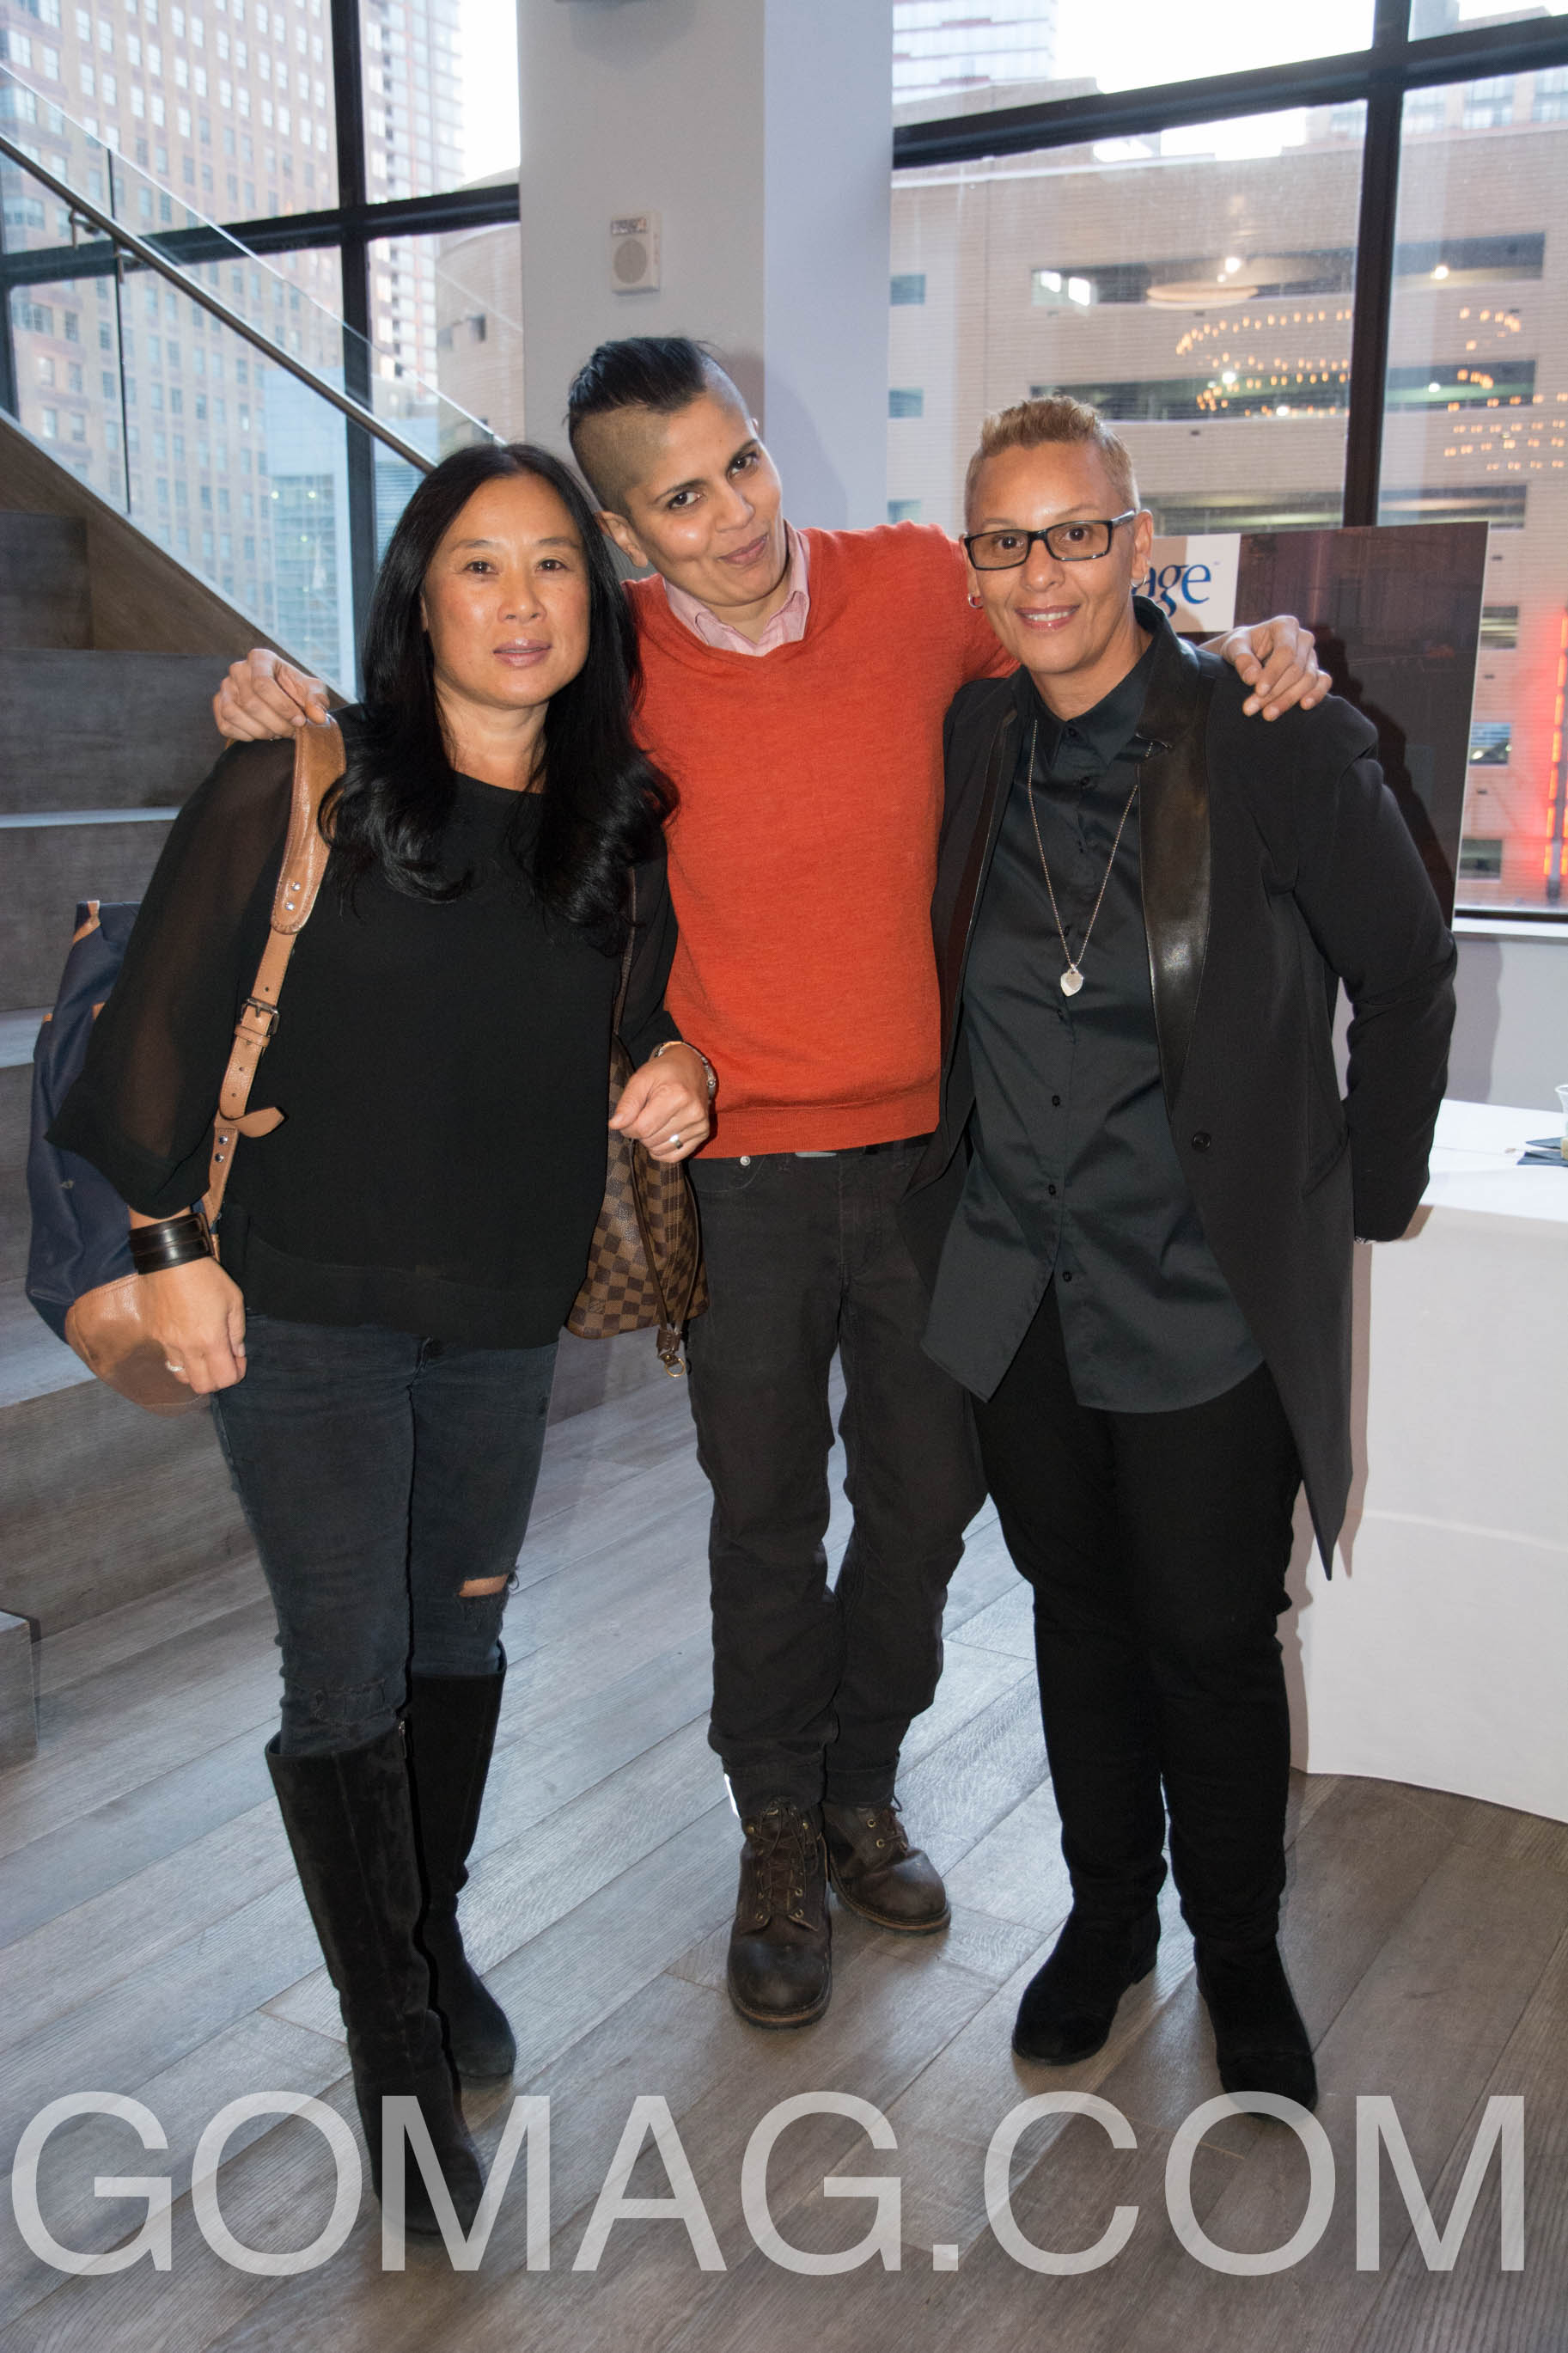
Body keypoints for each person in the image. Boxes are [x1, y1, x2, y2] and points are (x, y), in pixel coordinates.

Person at [210, 338, 1329, 2032]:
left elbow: (1091, 645)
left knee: (929, 1502)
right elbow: (456, 746)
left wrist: (1249, 646)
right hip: (731, 1182)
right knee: (761, 1521)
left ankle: (862, 1776)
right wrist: (278, 698)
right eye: (680, 498)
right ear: (621, 531)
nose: (735, 515)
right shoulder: (607, 662)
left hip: (940, 1169)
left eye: (740, 462)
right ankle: (779, 1831)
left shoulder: (916, 587)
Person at [50, 443, 712, 2232]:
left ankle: (427, 1938)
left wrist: (672, 1065)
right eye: (477, 565)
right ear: (418, 598)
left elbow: (628, 1022)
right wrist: (169, 1247)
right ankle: (399, 2050)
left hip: (502, 1307)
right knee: (345, 1676)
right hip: (303, 1304)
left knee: (458, 1648)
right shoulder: (300, 776)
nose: (520, 601)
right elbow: (150, 1042)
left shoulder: (620, 818)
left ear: (597, 603)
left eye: (554, 564)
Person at [902, 396, 1456, 2106]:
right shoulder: (974, 737)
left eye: (1077, 531)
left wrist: (1362, 1200)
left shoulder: (1268, 729)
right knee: (1074, 1614)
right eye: (1006, 540)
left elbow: (1407, 971)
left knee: (1209, 1638)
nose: (1042, 571)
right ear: (973, 565)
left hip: (1201, 1296)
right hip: (1016, 1286)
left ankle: (1236, 1946)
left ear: (1137, 544)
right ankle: (1105, 1916)